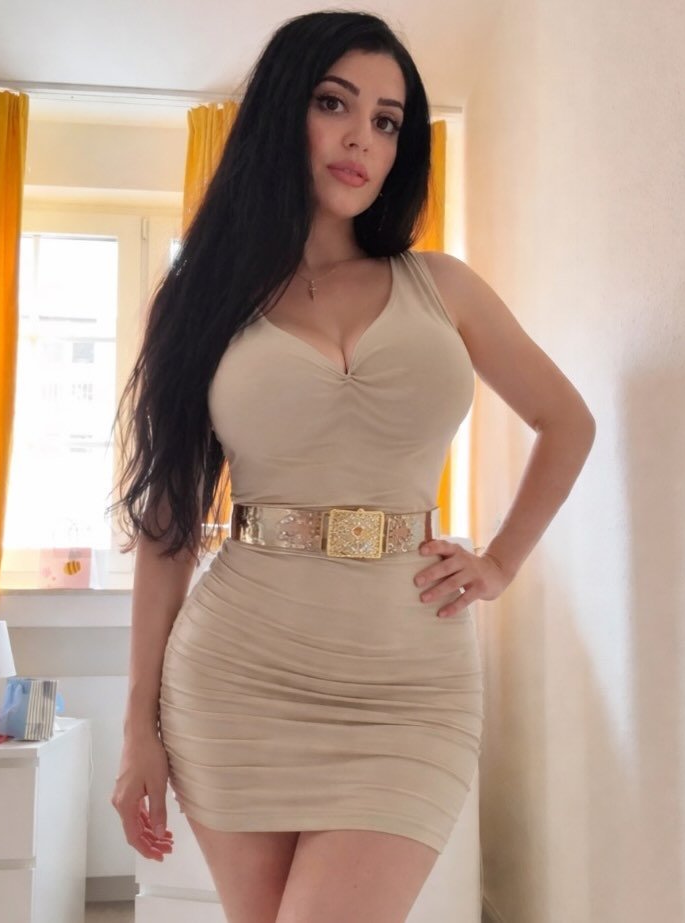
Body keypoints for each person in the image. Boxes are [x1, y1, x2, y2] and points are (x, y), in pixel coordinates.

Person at [109, 10, 595, 923]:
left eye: (386, 119)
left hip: (410, 684)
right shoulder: (199, 302)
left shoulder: (441, 286)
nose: (361, 138)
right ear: (281, 112)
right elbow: (165, 523)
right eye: (334, 104)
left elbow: (565, 421)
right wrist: (139, 728)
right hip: (239, 674)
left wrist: (500, 561)